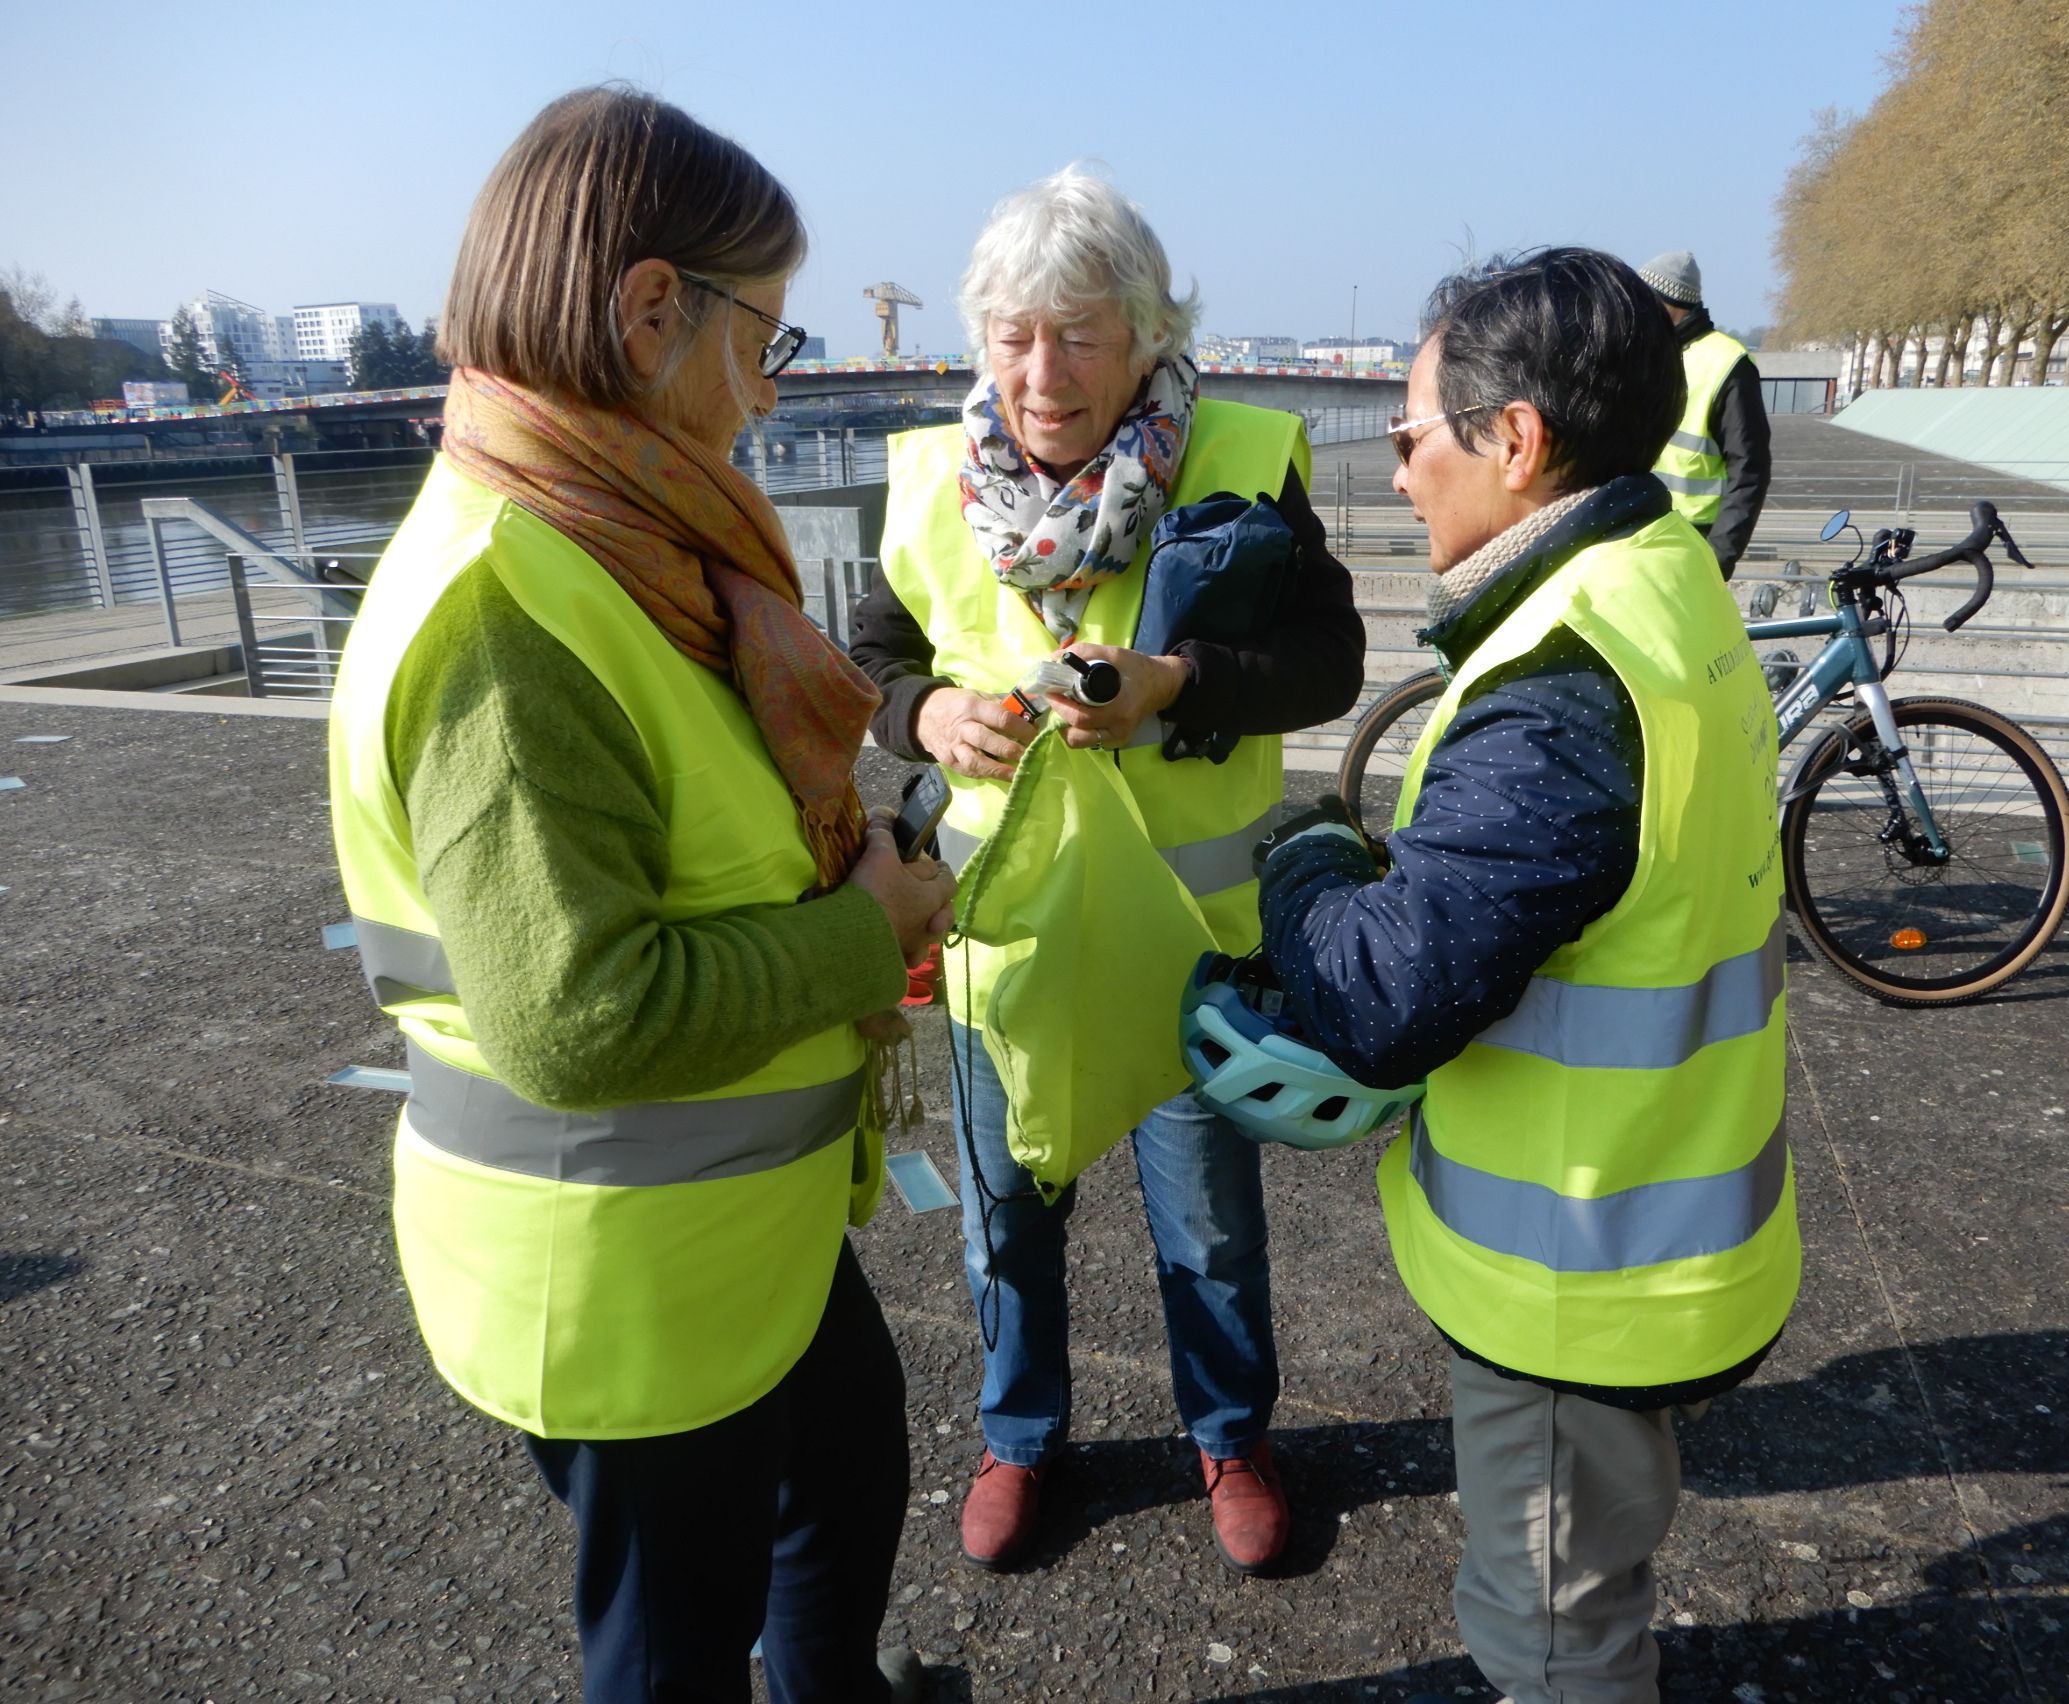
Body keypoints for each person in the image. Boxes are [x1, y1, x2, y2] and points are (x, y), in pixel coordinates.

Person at [326, 88, 955, 1704]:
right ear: (652, 307)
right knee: (672, 1647)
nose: (771, 386)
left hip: (725, 1229)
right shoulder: (508, 611)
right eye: (766, 335)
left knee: (846, 1476)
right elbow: (579, 1015)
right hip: (624, 1275)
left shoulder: (603, 537)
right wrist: (864, 932)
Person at [1252, 249, 1800, 1702]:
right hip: (1675, 1215)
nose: (1397, 474)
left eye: (1408, 437)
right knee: (1590, 1572)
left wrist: (1308, 858)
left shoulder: (1562, 687)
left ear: (1514, 439)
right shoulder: (1667, 583)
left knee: (1553, 1631)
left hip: (1579, 1275)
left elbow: (1381, 998)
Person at [849, 166, 1365, 1575]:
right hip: (998, 945)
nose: (1041, 373)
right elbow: (870, 657)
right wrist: (925, 716)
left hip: (1185, 942)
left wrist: (1178, 682)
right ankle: (1020, 1438)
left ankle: (1231, 1437)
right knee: (1003, 1222)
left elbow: (1331, 659)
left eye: (1079, 335)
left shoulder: (1245, 454)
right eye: (1014, 335)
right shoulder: (928, 481)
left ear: (1148, 336)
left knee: (1208, 1228)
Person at [1636, 249, 1771, 578]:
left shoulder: (1728, 364)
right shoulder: (1645, 353)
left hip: (1692, 543)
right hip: (1637, 537)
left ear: (1666, 304)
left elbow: (1749, 470)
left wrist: (1717, 560)